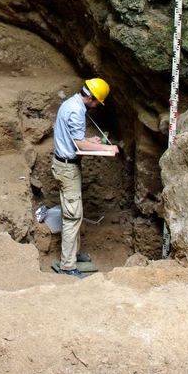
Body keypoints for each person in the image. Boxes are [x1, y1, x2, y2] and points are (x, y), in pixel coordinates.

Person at [51, 77, 119, 278]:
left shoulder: (70, 103)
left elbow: (74, 139)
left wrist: (89, 140)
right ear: (91, 97)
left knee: (74, 212)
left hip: (64, 165)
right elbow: (79, 146)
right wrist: (107, 147)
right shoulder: (77, 111)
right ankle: (67, 265)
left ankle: (73, 254)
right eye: (97, 101)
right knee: (72, 216)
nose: (97, 105)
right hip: (67, 169)